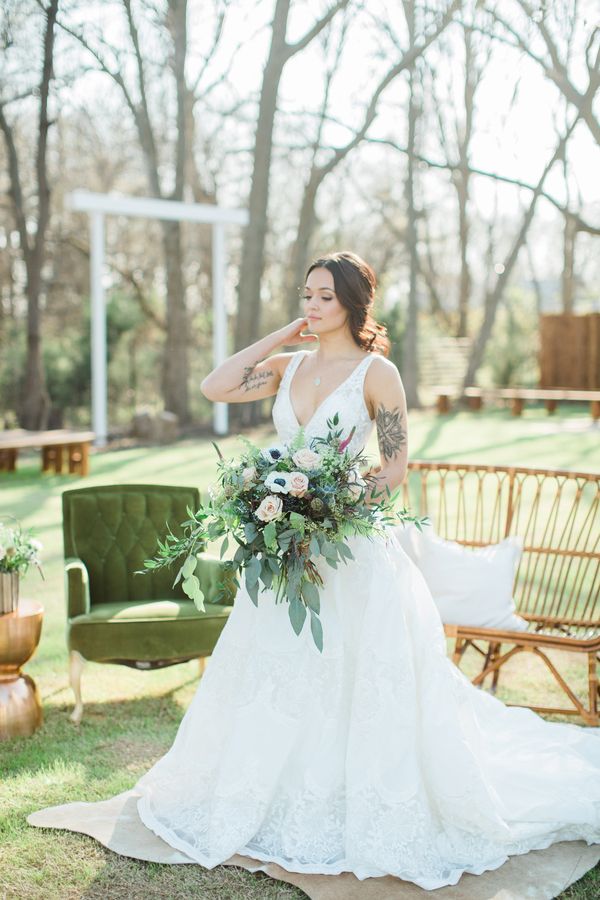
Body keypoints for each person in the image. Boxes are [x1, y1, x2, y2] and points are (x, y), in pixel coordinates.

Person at [52, 251, 600, 891]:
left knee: (353, 679)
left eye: (323, 298)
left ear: (351, 304)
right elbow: (216, 385)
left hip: (352, 559)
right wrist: (283, 337)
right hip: (284, 562)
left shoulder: (378, 373)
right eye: (305, 295)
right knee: (279, 677)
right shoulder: (285, 368)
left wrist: (328, 513)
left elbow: (393, 470)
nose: (311, 306)